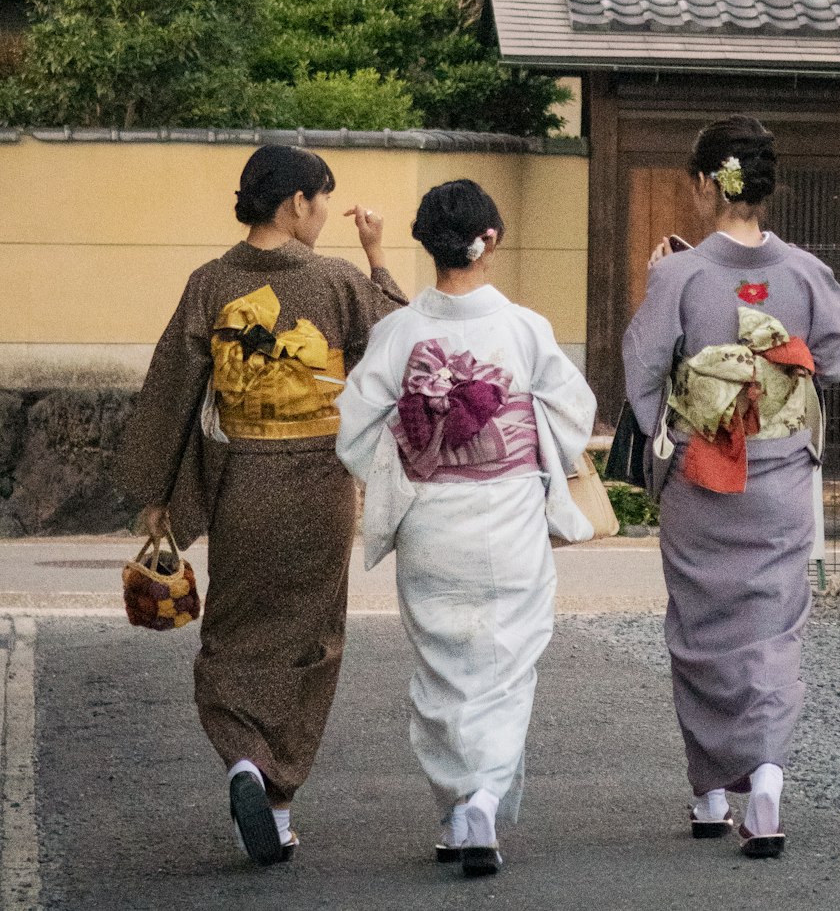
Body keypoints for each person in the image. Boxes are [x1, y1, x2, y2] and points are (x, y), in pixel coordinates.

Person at [118, 145, 406, 867]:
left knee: (235, 630)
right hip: (319, 482)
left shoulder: (210, 283)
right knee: (312, 637)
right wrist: (377, 257)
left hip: (241, 481)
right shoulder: (338, 281)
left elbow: (173, 392)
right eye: (320, 202)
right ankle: (277, 800)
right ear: (295, 204)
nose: (322, 217)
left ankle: (243, 756)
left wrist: (159, 496)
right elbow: (398, 340)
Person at [337, 179, 596, 877]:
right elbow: (572, 413)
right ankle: (482, 797)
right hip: (507, 513)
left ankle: (458, 808)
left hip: (431, 519)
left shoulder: (397, 334)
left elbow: (354, 431)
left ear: (427, 244)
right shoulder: (524, 328)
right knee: (506, 665)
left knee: (442, 667)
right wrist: (514, 431)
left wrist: (420, 443)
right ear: (492, 241)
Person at [623, 116, 840, 859]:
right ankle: (765, 781)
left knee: (700, 629)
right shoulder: (806, 273)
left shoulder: (678, 275)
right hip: (781, 471)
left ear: (704, 185)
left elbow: (643, 370)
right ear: (764, 188)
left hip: (705, 473)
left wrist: (688, 416)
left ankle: (707, 793)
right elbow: (831, 352)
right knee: (773, 627)